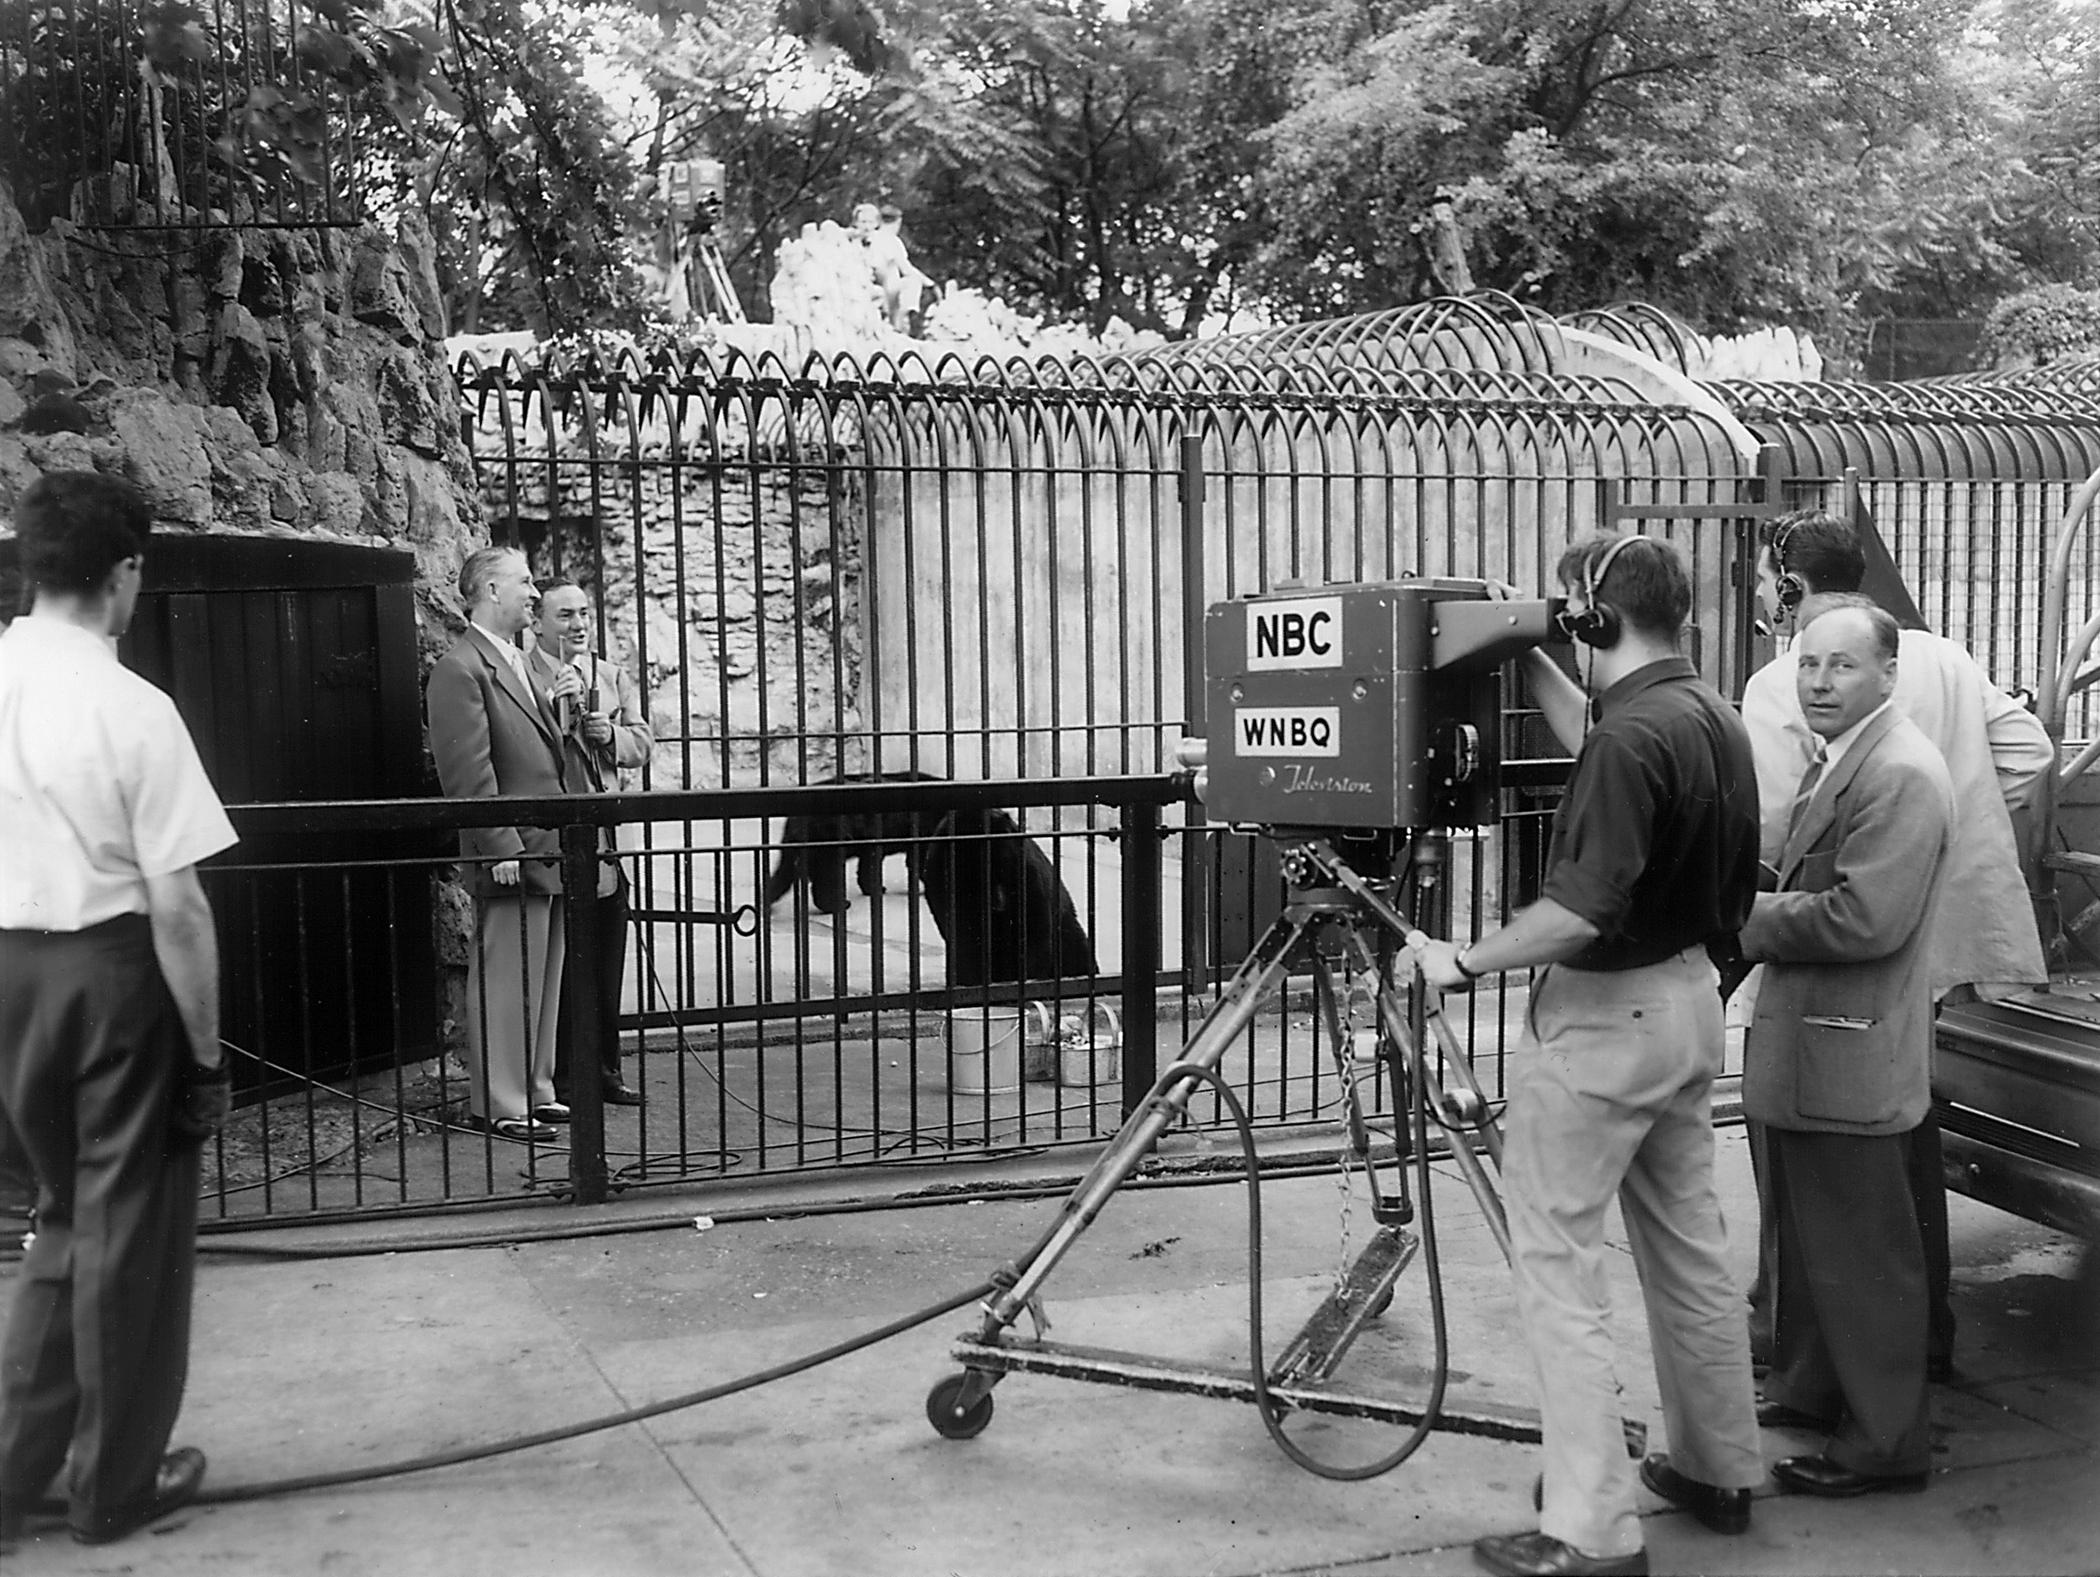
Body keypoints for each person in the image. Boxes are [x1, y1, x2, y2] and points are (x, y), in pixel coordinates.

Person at [1417, 533, 1764, 1577]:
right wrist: (1528, 646)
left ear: (1597, 617)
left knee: (1557, 1271)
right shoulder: (1707, 714)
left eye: (1573, 610)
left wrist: (1460, 957)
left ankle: (1589, 1525)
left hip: (1608, 1016)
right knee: (1690, 1250)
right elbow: (1603, 735)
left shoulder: (1633, 739)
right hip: (1691, 1000)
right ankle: (1716, 1466)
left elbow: (1577, 910)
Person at [1740, 510, 2051, 1380]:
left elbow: (1767, 828)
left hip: (1843, 951)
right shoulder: (1941, 653)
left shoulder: (1784, 680)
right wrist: (1955, 835)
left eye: (1768, 585)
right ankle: (1924, 1330)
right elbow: (2029, 752)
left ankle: (1800, 1332)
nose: (1764, 600)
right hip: (1947, 938)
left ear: (1792, 585)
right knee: (1907, 1132)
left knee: (1817, 1155)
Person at [0, 470, 235, 1546]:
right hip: (107, 971)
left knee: (60, 1215)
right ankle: (112, 1480)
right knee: (129, 1231)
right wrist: (206, 1055)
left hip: (9, 979)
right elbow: (179, 907)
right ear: (126, 570)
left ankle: (12, 1473)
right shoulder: (135, 709)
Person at [1736, 599, 1952, 1499]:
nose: (1819, 682)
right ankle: (1816, 1388)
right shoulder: (1848, 757)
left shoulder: (1898, 772)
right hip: (1823, 1046)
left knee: (1864, 1253)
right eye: (1809, 665)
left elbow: (1864, 917)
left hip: (1851, 1049)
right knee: (1819, 1234)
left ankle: (1885, 1439)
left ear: (1888, 675)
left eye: (1842, 667)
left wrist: (1739, 917)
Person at [426, 546, 574, 1143]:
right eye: (525, 581)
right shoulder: (460, 667)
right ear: (490, 590)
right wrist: (501, 846)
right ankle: (501, 1102)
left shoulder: (517, 661)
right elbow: (467, 773)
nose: (535, 594)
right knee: (509, 972)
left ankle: (536, 1088)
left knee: (543, 971)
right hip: (512, 847)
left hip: (546, 841)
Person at [528, 577, 652, 1107]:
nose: (579, 625)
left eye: (583, 614)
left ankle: (605, 1071)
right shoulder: (524, 674)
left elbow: (642, 742)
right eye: (565, 616)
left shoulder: (610, 675)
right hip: (557, 841)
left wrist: (611, 737)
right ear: (537, 623)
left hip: (604, 844)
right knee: (563, 966)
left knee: (605, 961)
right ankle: (559, 1078)